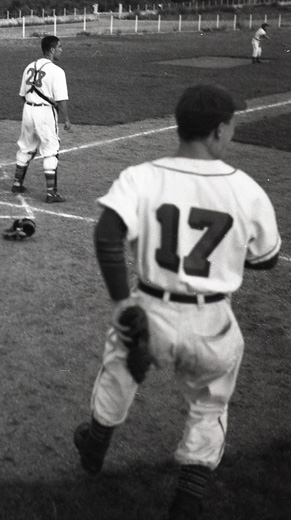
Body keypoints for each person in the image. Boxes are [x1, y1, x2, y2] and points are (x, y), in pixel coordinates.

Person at [73, 84, 281, 520]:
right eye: (230, 123)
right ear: (218, 131)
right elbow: (266, 259)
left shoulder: (143, 176)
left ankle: (95, 446)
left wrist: (121, 303)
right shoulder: (246, 189)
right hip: (213, 319)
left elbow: (108, 234)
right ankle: (189, 495)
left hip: (152, 311)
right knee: (210, 402)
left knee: (120, 366)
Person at [10, 35, 72, 203]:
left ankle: (17, 184)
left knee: (26, 146)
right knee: (51, 150)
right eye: (59, 47)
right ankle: (51, 193)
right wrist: (66, 119)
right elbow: (61, 99)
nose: (61, 50)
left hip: (28, 110)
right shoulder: (57, 71)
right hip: (45, 113)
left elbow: (22, 95)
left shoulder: (29, 66)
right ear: (51, 50)